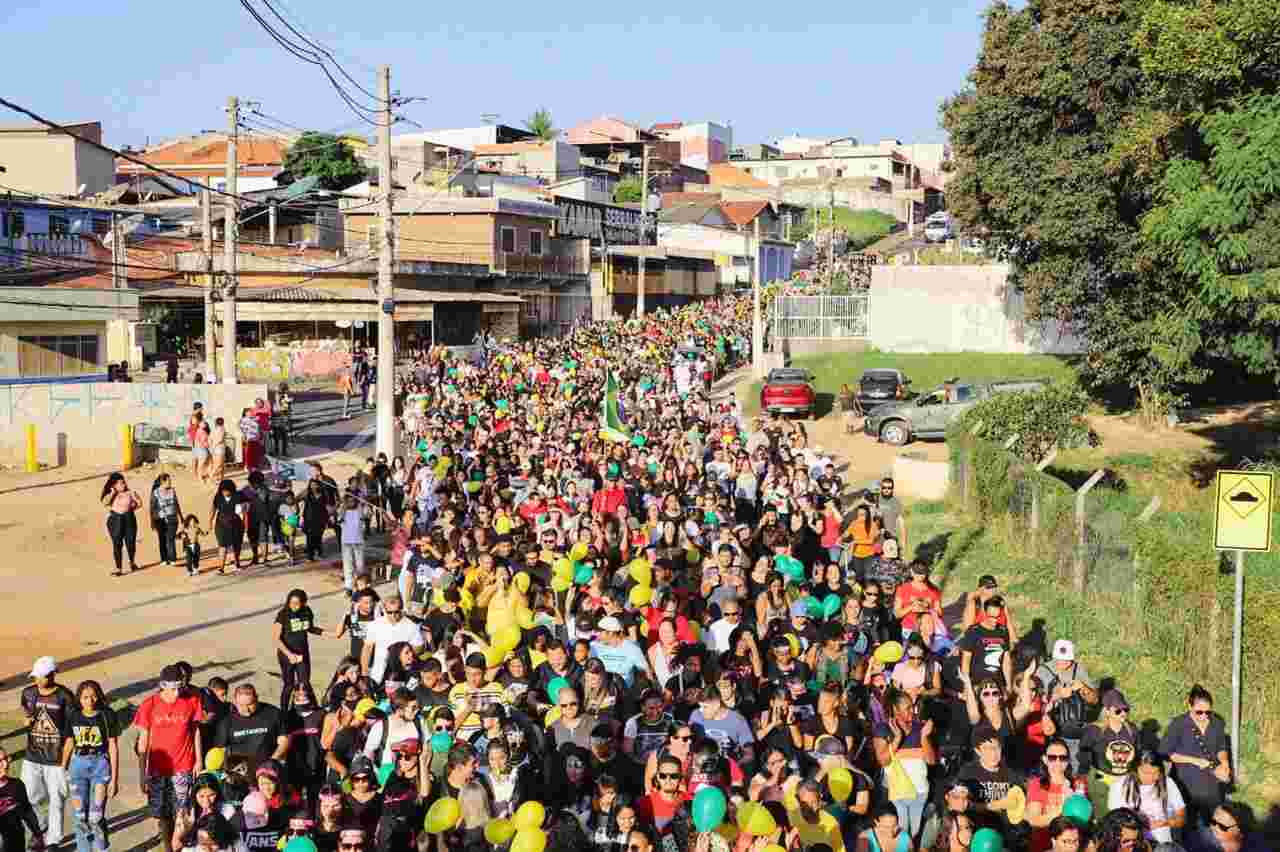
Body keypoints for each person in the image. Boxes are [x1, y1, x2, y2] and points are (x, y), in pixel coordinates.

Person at [134, 665, 207, 852]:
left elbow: (195, 730)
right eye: (172, 688)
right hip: (157, 770)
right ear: (162, 685)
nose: (176, 693)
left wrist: (199, 760)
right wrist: (142, 774)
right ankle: (168, 847)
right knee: (162, 814)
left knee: (182, 813)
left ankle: (180, 847)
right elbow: (143, 743)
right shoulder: (149, 705)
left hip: (183, 766)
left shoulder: (192, 701)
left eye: (179, 688)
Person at [60, 679, 120, 852]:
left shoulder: (106, 715)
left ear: (99, 697)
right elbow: (70, 742)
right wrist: (61, 768)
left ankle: (101, 848)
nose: (90, 701)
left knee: (96, 815)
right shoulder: (73, 715)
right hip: (78, 765)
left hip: (100, 765)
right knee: (80, 816)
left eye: (93, 696)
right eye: (85, 697)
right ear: (79, 698)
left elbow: (113, 746)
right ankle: (83, 849)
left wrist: (114, 780)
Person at [21, 656, 75, 848]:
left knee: (57, 801)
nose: (37, 680)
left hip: (56, 759)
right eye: (36, 676)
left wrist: (64, 764)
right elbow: (26, 714)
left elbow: (70, 734)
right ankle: (40, 829)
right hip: (32, 757)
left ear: (53, 675)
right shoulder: (28, 693)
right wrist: (26, 720)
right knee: (28, 797)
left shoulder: (65, 697)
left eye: (41, 676)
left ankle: (53, 840)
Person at [1159, 685, 1230, 829]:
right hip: (1186, 783)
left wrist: (1225, 763)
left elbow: (1221, 747)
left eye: (1208, 712)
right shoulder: (1179, 724)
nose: (1204, 716)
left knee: (1211, 823)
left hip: (1211, 782)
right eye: (1199, 712)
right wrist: (1195, 761)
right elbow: (1165, 752)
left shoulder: (1216, 723)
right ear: (1189, 706)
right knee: (1188, 825)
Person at [1109, 750, 1185, 847]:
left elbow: (1181, 818)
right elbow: (1114, 820)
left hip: (1162, 844)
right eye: (1145, 773)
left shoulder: (1167, 783)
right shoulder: (1119, 786)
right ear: (1135, 768)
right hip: (1131, 843)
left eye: (1155, 773)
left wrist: (1164, 823)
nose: (1150, 777)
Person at [274, 589, 327, 710]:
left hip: (302, 653)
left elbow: (310, 628)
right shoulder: (283, 614)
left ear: (304, 603)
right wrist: (289, 655)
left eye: (297, 603)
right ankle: (284, 711)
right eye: (291, 603)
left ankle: (312, 709)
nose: (294, 606)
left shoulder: (307, 611)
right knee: (289, 685)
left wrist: (330, 633)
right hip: (286, 655)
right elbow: (275, 639)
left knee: (305, 683)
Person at [0, 747, 44, 852]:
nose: (5, 765)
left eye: (6, 759)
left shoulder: (17, 785)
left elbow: (27, 811)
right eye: (0, 761)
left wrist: (38, 834)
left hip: (17, 842)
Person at [101, 472, 142, 576]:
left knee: (130, 542)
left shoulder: (130, 492)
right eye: (120, 483)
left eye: (123, 482)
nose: (123, 485)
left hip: (129, 518)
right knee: (117, 543)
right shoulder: (111, 494)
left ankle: (132, 562)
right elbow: (105, 502)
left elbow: (139, 504)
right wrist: (113, 492)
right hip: (116, 519)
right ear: (114, 485)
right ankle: (118, 568)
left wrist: (134, 504)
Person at [208, 480, 245, 574]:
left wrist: (244, 520)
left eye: (227, 491)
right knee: (222, 545)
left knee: (236, 545)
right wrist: (210, 521)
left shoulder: (238, 496)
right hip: (221, 524)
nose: (225, 492)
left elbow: (244, 509)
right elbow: (213, 509)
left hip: (236, 524)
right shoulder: (218, 497)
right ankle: (221, 567)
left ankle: (237, 563)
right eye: (223, 490)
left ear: (231, 490)